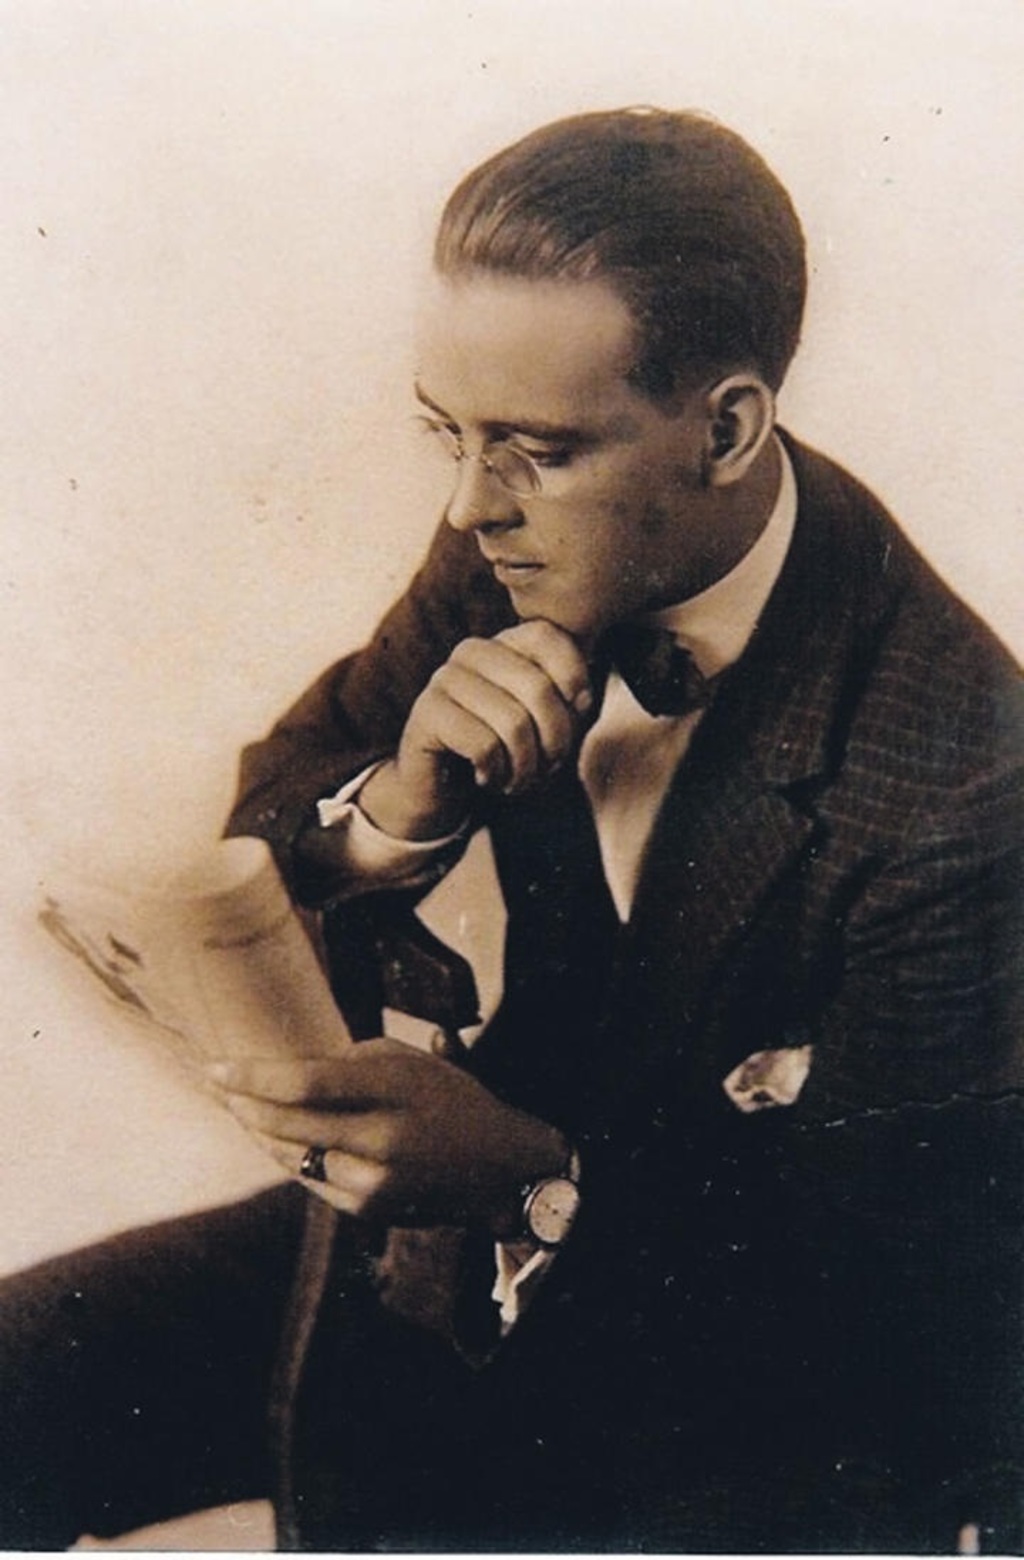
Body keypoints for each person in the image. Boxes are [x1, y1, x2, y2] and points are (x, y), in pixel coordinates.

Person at [1, 107, 1022, 1554]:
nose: (470, 505)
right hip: (433, 1257)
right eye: (450, 435)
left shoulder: (967, 785)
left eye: (530, 450)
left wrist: (531, 1178)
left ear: (728, 429)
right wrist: (395, 815)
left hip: (733, 1402)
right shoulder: (521, 529)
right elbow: (282, 795)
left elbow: (902, 1323)